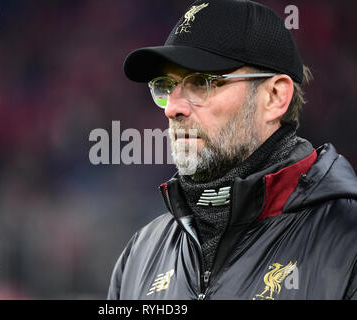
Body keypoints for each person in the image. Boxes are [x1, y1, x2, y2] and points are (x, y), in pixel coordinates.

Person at [108, 0, 357, 300]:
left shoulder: (348, 244)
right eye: (165, 85)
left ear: (275, 97)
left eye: (201, 82)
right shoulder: (140, 256)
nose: (172, 108)